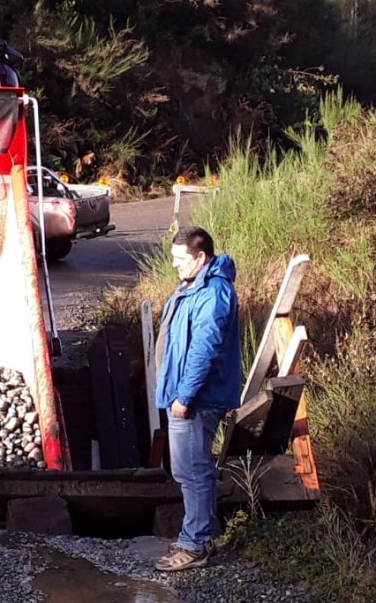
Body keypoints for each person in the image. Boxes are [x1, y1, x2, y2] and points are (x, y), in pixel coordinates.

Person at [153, 226, 241, 572]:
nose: (175, 265)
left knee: (194, 471)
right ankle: (196, 534)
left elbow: (204, 349)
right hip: (185, 394)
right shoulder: (194, 286)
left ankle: (196, 545)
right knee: (187, 470)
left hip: (197, 398)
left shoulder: (213, 292)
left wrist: (184, 396)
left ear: (200, 257)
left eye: (180, 259)